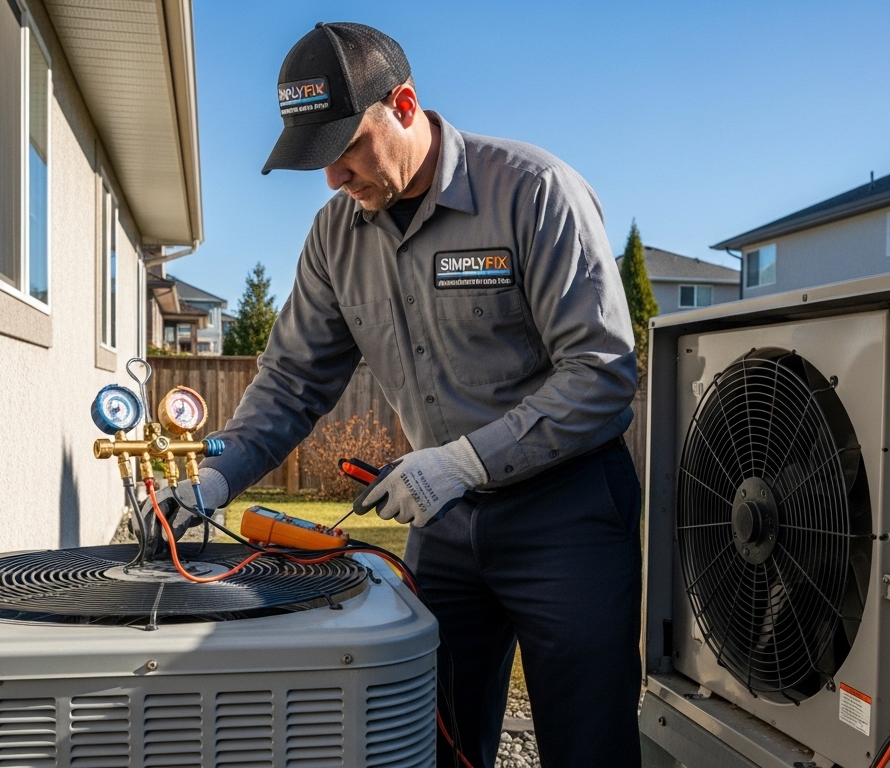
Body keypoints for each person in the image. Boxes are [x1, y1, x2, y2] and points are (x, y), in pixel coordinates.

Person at [196, 22, 642, 768]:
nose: (334, 179)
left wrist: (463, 461)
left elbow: (601, 372)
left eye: (345, 150)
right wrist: (216, 476)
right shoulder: (336, 235)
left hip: (568, 516)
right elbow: (290, 381)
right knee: (427, 735)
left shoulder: (532, 192)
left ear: (403, 105)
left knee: (586, 743)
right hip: (445, 525)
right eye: (319, 161)